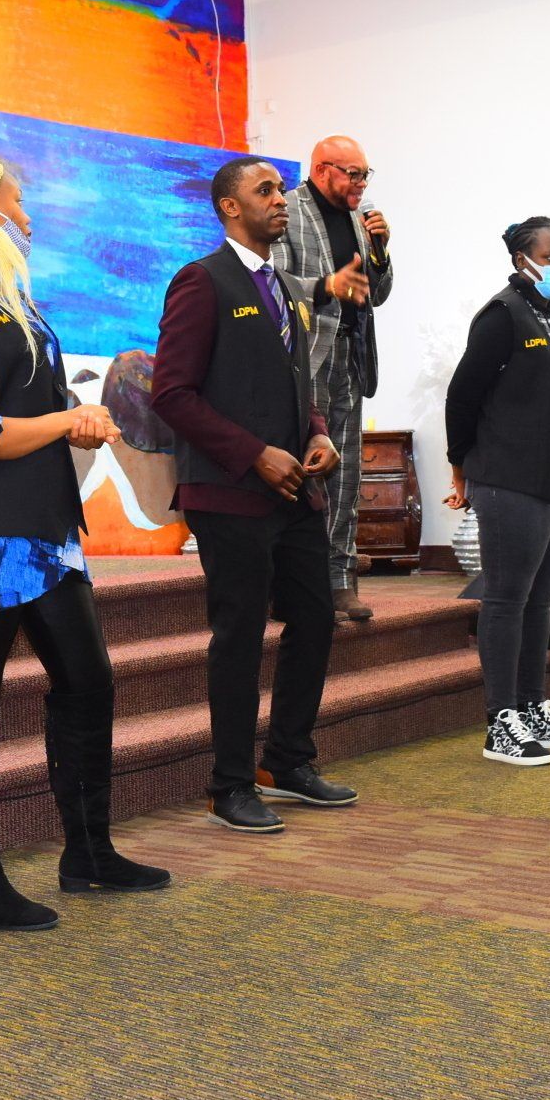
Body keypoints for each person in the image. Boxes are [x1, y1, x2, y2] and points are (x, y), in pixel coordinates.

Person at [0, 149, 171, 932]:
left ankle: (88, 852)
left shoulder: (12, 301)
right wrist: (67, 420)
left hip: (48, 531)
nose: (27, 212)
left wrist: (74, 423)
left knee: (89, 684)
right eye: (17, 199)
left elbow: (30, 415)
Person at [151, 156, 366, 833]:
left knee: (315, 619)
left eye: (280, 189)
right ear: (229, 207)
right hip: (228, 492)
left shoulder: (287, 287)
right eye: (265, 190)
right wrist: (253, 454)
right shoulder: (201, 280)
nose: (281, 200)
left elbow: (301, 384)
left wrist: (319, 432)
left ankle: (288, 761)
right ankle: (230, 785)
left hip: (295, 490)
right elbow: (171, 394)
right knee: (240, 636)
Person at [443, 217, 550, 766]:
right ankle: (501, 721)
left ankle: (533, 707)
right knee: (507, 599)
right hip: (511, 479)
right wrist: (461, 465)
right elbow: (462, 396)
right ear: (522, 260)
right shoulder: (503, 314)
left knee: (541, 598)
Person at [270, 136, 393, 621]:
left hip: (351, 357)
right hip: (305, 356)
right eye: (352, 174)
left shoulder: (361, 220)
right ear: (322, 170)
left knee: (346, 474)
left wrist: (380, 250)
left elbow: (376, 293)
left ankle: (341, 583)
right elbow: (273, 285)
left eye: (365, 174)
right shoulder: (288, 210)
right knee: (308, 471)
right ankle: (295, 586)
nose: (361, 183)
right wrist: (327, 286)